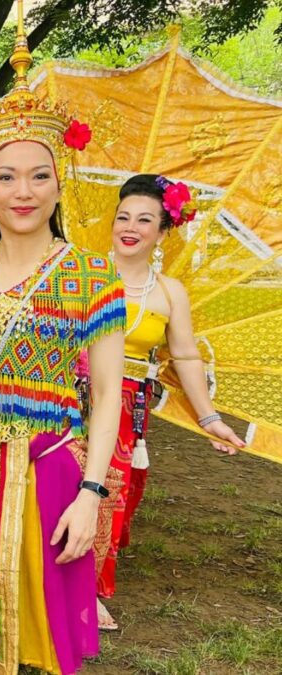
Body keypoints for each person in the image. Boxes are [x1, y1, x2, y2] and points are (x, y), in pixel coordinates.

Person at [0, 20, 124, 675]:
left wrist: (92, 492)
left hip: (51, 473)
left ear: (59, 184)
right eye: (7, 177)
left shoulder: (91, 275)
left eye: (39, 176)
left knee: (44, 642)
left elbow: (108, 395)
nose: (24, 191)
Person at [92, 173, 244, 629]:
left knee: (112, 493)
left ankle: (91, 587)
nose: (130, 227)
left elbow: (185, 356)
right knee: (70, 488)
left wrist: (209, 417)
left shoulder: (169, 291)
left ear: (162, 232)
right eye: (122, 217)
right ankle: (62, 586)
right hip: (71, 397)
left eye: (144, 219)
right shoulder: (81, 270)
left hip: (126, 406)